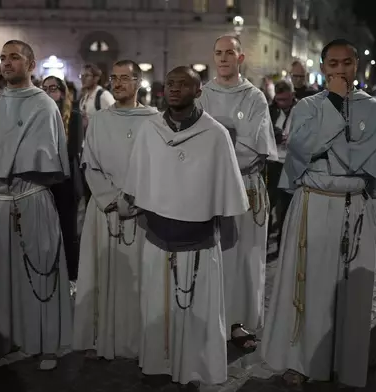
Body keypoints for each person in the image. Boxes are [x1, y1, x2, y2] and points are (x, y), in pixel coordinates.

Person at [260, 39, 376, 388]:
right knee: (309, 286)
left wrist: (331, 152)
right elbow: (302, 150)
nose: (339, 70)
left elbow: (368, 163)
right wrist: (334, 105)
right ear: (323, 67)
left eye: (346, 63)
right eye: (332, 64)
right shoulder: (308, 106)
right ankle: (301, 361)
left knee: (348, 290)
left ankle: (343, 363)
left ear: (356, 65)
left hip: (354, 208)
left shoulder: (375, 110)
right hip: (313, 205)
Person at [123, 65, 248, 386]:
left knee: (197, 310)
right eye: (170, 83)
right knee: (157, 307)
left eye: (183, 84)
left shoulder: (216, 134)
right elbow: (137, 183)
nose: (175, 89)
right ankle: (158, 364)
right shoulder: (150, 129)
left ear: (198, 91)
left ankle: (196, 367)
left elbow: (228, 197)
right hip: (157, 238)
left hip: (200, 241)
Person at [0, 40, 72, 370]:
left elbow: (46, 162)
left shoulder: (44, 105)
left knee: (37, 272)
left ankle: (44, 341)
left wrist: (7, 169)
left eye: (15, 57)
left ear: (32, 64)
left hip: (29, 197)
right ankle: (0, 338)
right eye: (3, 58)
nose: (7, 63)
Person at [73, 60, 160, 360]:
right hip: (105, 209)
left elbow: (156, 165)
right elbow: (90, 164)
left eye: (126, 78)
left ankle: (138, 339)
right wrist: (113, 199)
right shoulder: (99, 120)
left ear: (138, 82)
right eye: (115, 77)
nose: (119, 83)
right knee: (105, 273)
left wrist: (133, 200)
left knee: (138, 276)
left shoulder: (155, 120)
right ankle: (104, 337)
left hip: (141, 212)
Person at [197, 35, 277, 351]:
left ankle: (240, 322)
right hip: (211, 188)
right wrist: (226, 137)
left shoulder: (254, 97)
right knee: (214, 257)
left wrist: (221, 141)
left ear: (240, 58)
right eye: (218, 53)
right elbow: (197, 141)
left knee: (246, 257)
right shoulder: (202, 95)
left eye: (230, 52)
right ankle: (211, 318)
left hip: (246, 189)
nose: (223, 58)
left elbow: (254, 147)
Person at [42, 76, 84, 287]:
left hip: (65, 180)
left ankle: (71, 275)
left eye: (53, 88)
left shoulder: (74, 116)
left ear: (62, 91)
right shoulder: (39, 115)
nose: (49, 92)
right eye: (45, 88)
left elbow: (72, 150)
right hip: (45, 179)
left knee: (68, 229)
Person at [267, 80, 297, 260]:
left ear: (292, 96)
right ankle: (263, 244)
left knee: (286, 209)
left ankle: (282, 246)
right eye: (279, 100)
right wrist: (274, 134)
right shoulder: (271, 109)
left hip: (290, 163)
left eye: (285, 100)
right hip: (273, 162)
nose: (282, 104)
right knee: (267, 205)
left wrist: (293, 139)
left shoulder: (301, 109)